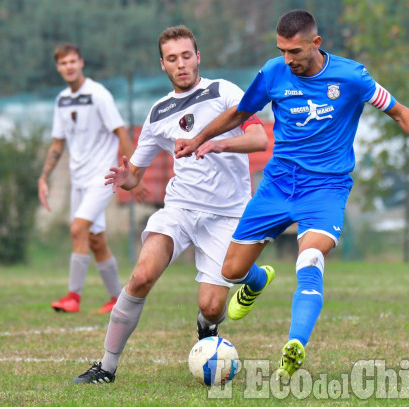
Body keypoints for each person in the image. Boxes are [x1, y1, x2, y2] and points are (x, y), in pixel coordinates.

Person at [174, 10, 409, 383]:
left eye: (295, 51)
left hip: (325, 188)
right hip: (277, 185)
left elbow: (399, 112)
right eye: (282, 50)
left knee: (309, 256)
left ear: (316, 43)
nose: (288, 59)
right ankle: (257, 281)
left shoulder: (352, 77)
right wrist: (199, 139)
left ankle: (295, 344)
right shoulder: (273, 72)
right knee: (231, 271)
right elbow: (241, 112)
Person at [72, 25, 268, 384]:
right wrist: (125, 178)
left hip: (228, 213)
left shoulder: (223, 91)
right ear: (162, 64)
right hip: (179, 209)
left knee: (211, 307)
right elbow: (135, 173)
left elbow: (258, 138)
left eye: (186, 56)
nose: (181, 64)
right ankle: (106, 367)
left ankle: (210, 324)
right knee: (142, 276)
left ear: (198, 57)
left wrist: (217, 143)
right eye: (172, 59)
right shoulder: (158, 113)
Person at [39, 43, 147, 314]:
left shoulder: (99, 95)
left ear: (81, 63)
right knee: (96, 240)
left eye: (73, 61)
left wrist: (134, 173)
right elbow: (57, 143)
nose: (69, 67)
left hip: (102, 177)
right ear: (57, 68)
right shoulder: (61, 99)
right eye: (64, 63)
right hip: (78, 180)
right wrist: (43, 177)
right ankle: (116, 299)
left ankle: (72, 297)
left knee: (77, 229)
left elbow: (121, 132)